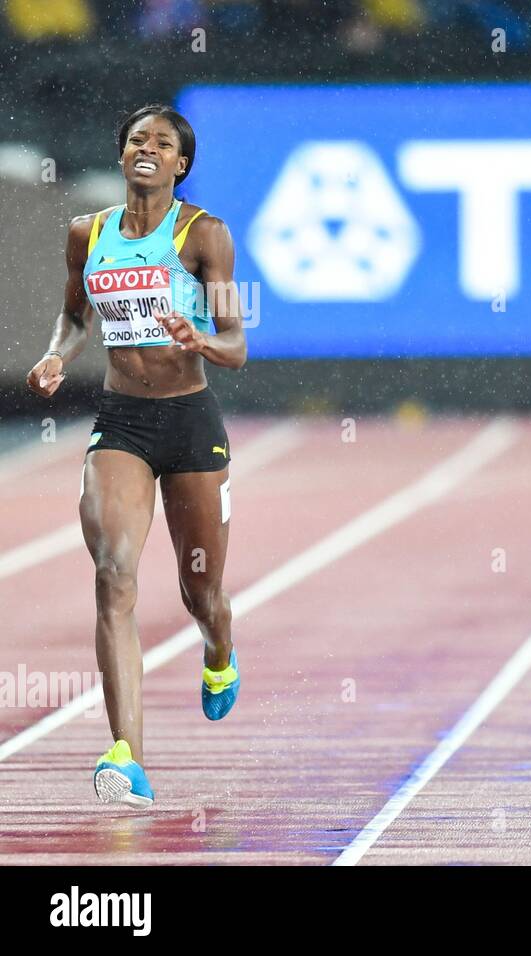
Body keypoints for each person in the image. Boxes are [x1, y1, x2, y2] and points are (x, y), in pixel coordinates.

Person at [26, 104, 248, 807]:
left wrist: (200, 339)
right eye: (135, 140)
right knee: (114, 574)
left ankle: (218, 651)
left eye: (162, 143)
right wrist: (58, 355)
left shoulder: (204, 234)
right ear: (121, 156)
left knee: (200, 591)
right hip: (121, 423)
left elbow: (237, 343)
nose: (146, 149)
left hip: (190, 423)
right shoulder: (84, 234)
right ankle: (127, 755)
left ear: (181, 164)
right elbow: (73, 315)